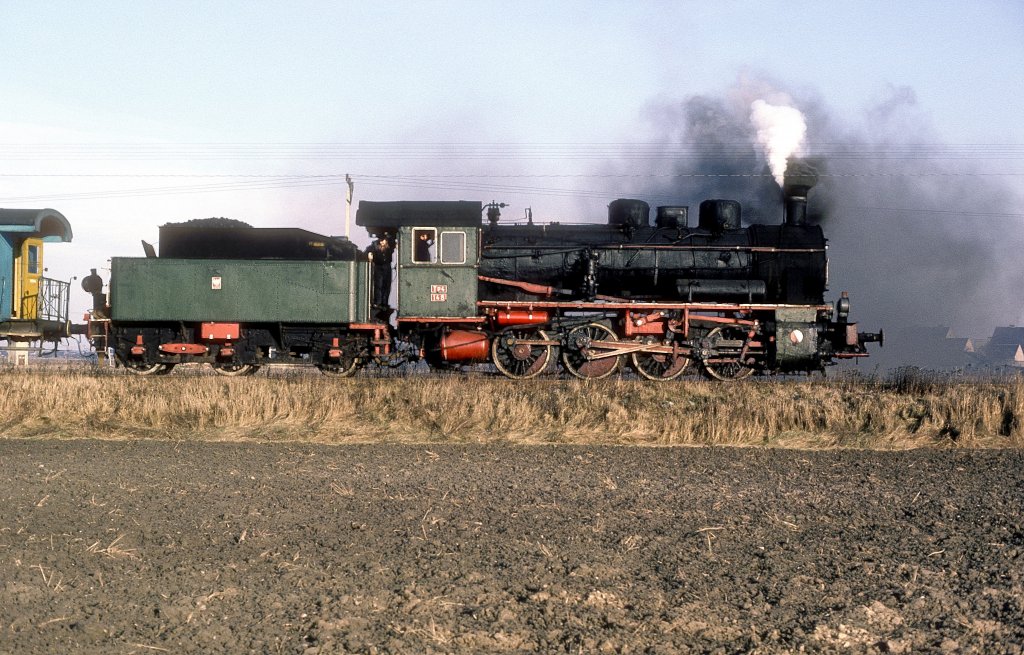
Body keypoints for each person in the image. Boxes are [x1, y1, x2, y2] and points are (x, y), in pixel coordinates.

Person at [365, 235, 394, 315]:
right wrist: (369, 254)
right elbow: (368, 250)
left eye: (384, 240)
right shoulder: (374, 246)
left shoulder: (390, 246)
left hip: (387, 267)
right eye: (381, 240)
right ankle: (378, 302)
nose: (382, 242)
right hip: (378, 267)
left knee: (386, 285)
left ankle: (384, 303)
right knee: (379, 285)